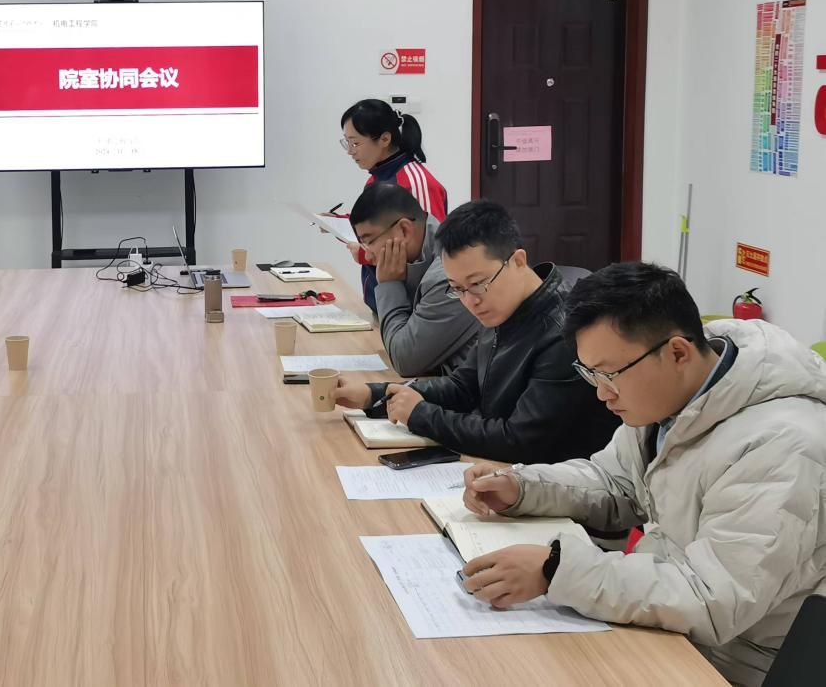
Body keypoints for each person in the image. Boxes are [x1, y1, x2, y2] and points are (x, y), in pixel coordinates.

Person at [457, 262, 826, 687]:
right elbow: (615, 483)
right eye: (591, 374)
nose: (601, 392)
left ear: (678, 353)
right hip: (670, 629)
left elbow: (714, 599)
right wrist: (522, 487)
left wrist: (556, 570)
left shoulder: (782, 446)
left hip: (733, 664)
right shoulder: (673, 399)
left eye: (610, 374)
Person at [338, 199, 618, 463]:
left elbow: (520, 440)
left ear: (518, 261)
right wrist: (375, 394)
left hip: (549, 480)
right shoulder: (502, 308)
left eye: (477, 283)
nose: (470, 301)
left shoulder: (563, 333)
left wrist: (421, 415)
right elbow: (462, 387)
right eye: (457, 288)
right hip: (501, 467)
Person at [336, 181, 478, 379]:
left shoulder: (450, 274)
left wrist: (389, 285)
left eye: (369, 242)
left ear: (404, 230)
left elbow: (405, 360)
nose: (367, 256)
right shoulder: (418, 257)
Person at [339, 99, 449, 312]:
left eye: (355, 143)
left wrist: (366, 254)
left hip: (413, 309)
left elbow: (430, 254)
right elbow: (383, 225)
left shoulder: (416, 182)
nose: (350, 151)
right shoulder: (376, 178)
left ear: (384, 139)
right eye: (346, 143)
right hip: (384, 303)